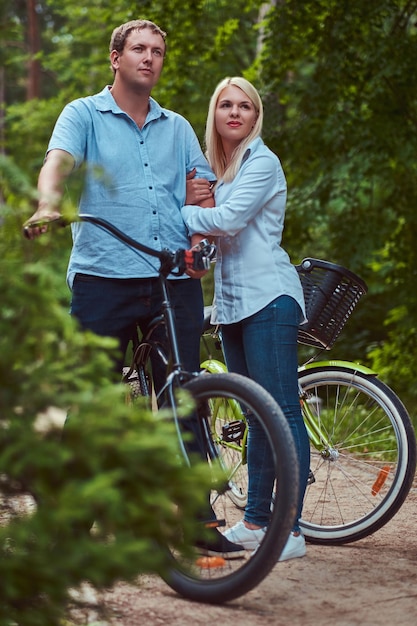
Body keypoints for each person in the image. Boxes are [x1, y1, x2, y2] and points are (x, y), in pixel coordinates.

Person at [24, 20, 244, 557]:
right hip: (104, 279)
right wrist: (50, 202)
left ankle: (197, 520)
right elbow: (58, 163)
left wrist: (199, 232)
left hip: (171, 279)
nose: (149, 58)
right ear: (116, 58)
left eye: (158, 51)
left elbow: (202, 195)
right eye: (139, 49)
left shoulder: (179, 128)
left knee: (183, 396)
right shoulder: (83, 115)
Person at [182, 76, 311, 561]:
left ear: (257, 117)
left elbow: (231, 219)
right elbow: (216, 246)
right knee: (258, 415)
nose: (235, 113)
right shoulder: (225, 169)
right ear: (215, 114)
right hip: (234, 306)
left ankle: (291, 529)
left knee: (281, 410)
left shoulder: (262, 161)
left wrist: (178, 214)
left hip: (269, 300)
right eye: (226, 105)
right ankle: (257, 522)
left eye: (246, 106)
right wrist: (197, 226)